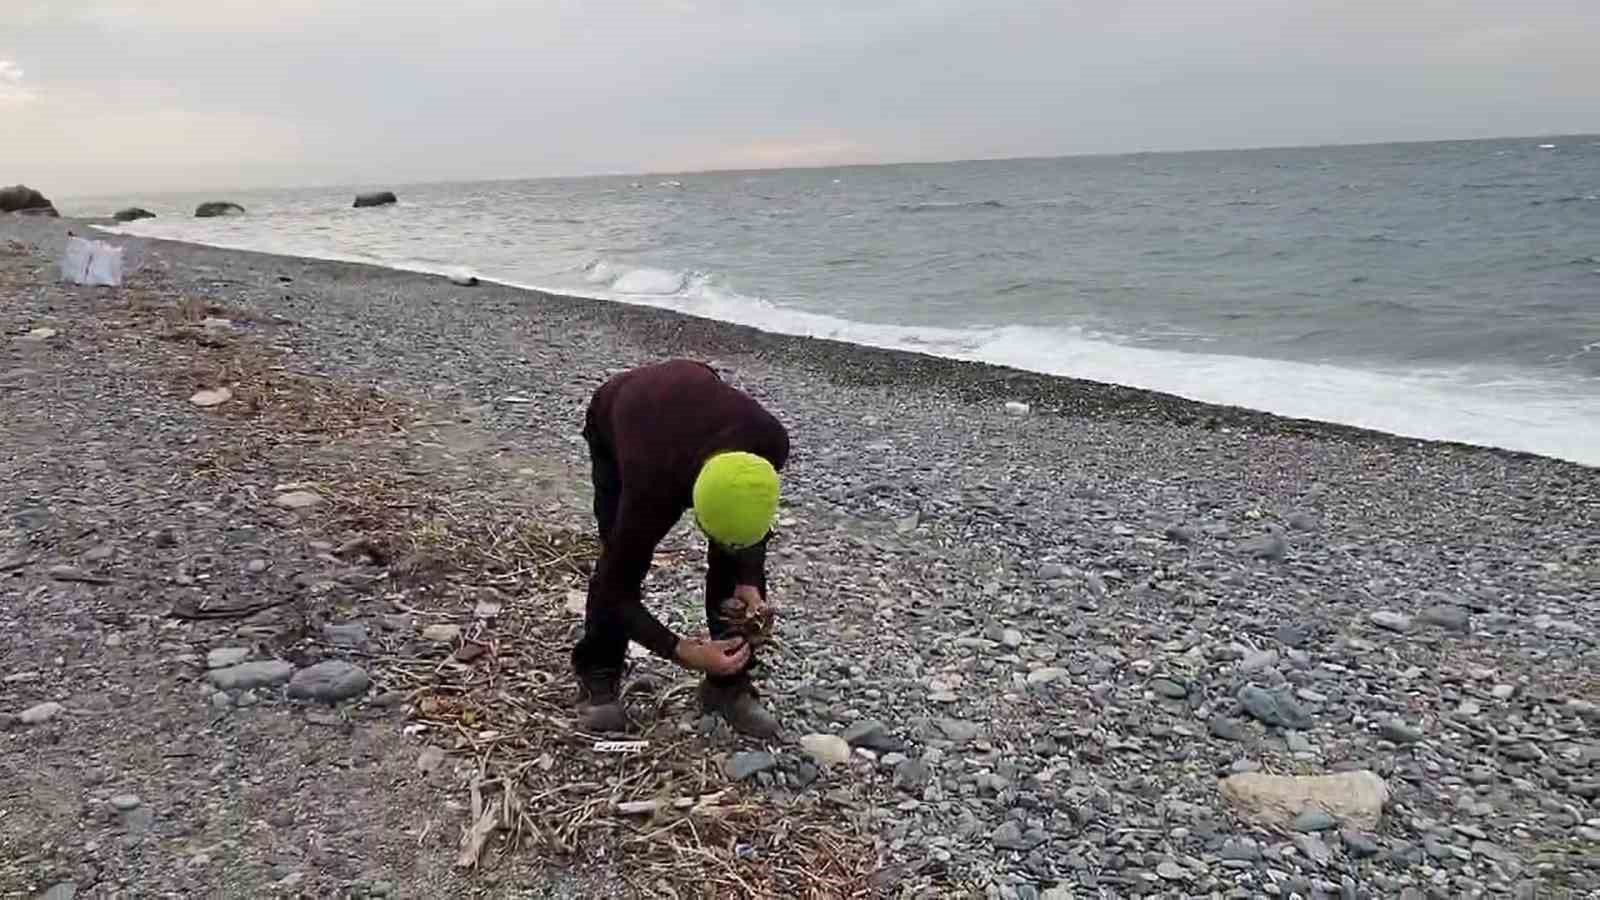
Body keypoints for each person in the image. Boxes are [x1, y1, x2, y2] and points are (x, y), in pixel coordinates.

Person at [574, 359, 788, 737]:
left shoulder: (769, 442)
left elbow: (749, 515)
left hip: (692, 393)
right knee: (620, 559)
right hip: (618, 412)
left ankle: (727, 686)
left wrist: (749, 581)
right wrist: (679, 649)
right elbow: (615, 587)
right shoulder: (651, 486)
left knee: (734, 565)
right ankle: (598, 672)